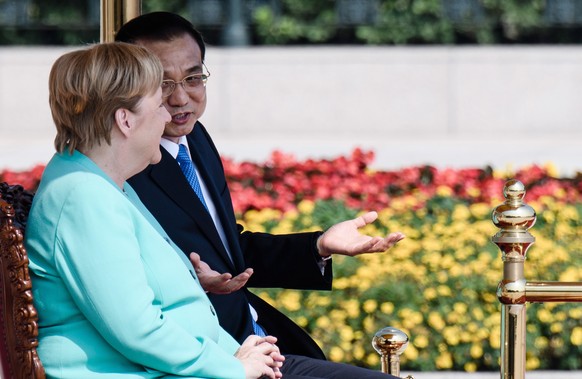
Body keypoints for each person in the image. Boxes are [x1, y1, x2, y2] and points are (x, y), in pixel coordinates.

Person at [115, 10, 404, 371]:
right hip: (213, 355)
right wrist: (194, 283)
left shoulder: (196, 139)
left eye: (192, 78)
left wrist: (319, 246)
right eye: (163, 84)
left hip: (258, 337)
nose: (180, 99)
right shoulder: (127, 166)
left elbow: (229, 255)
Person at [24, 42, 285, 379]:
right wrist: (234, 367)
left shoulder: (101, 181)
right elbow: (137, 330)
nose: (167, 115)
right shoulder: (84, 195)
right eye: (159, 104)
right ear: (125, 120)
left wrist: (236, 354)